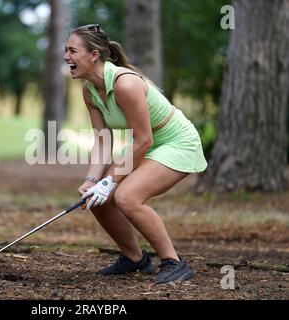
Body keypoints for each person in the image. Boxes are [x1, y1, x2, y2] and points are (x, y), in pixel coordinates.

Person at [63, 24, 207, 284]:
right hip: (147, 144)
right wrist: (93, 181)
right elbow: (103, 139)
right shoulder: (89, 91)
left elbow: (144, 139)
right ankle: (134, 259)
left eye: (72, 50)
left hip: (177, 142)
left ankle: (174, 262)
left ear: (94, 55)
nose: (66, 57)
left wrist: (112, 181)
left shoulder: (125, 83)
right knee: (97, 199)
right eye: (66, 50)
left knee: (127, 197)